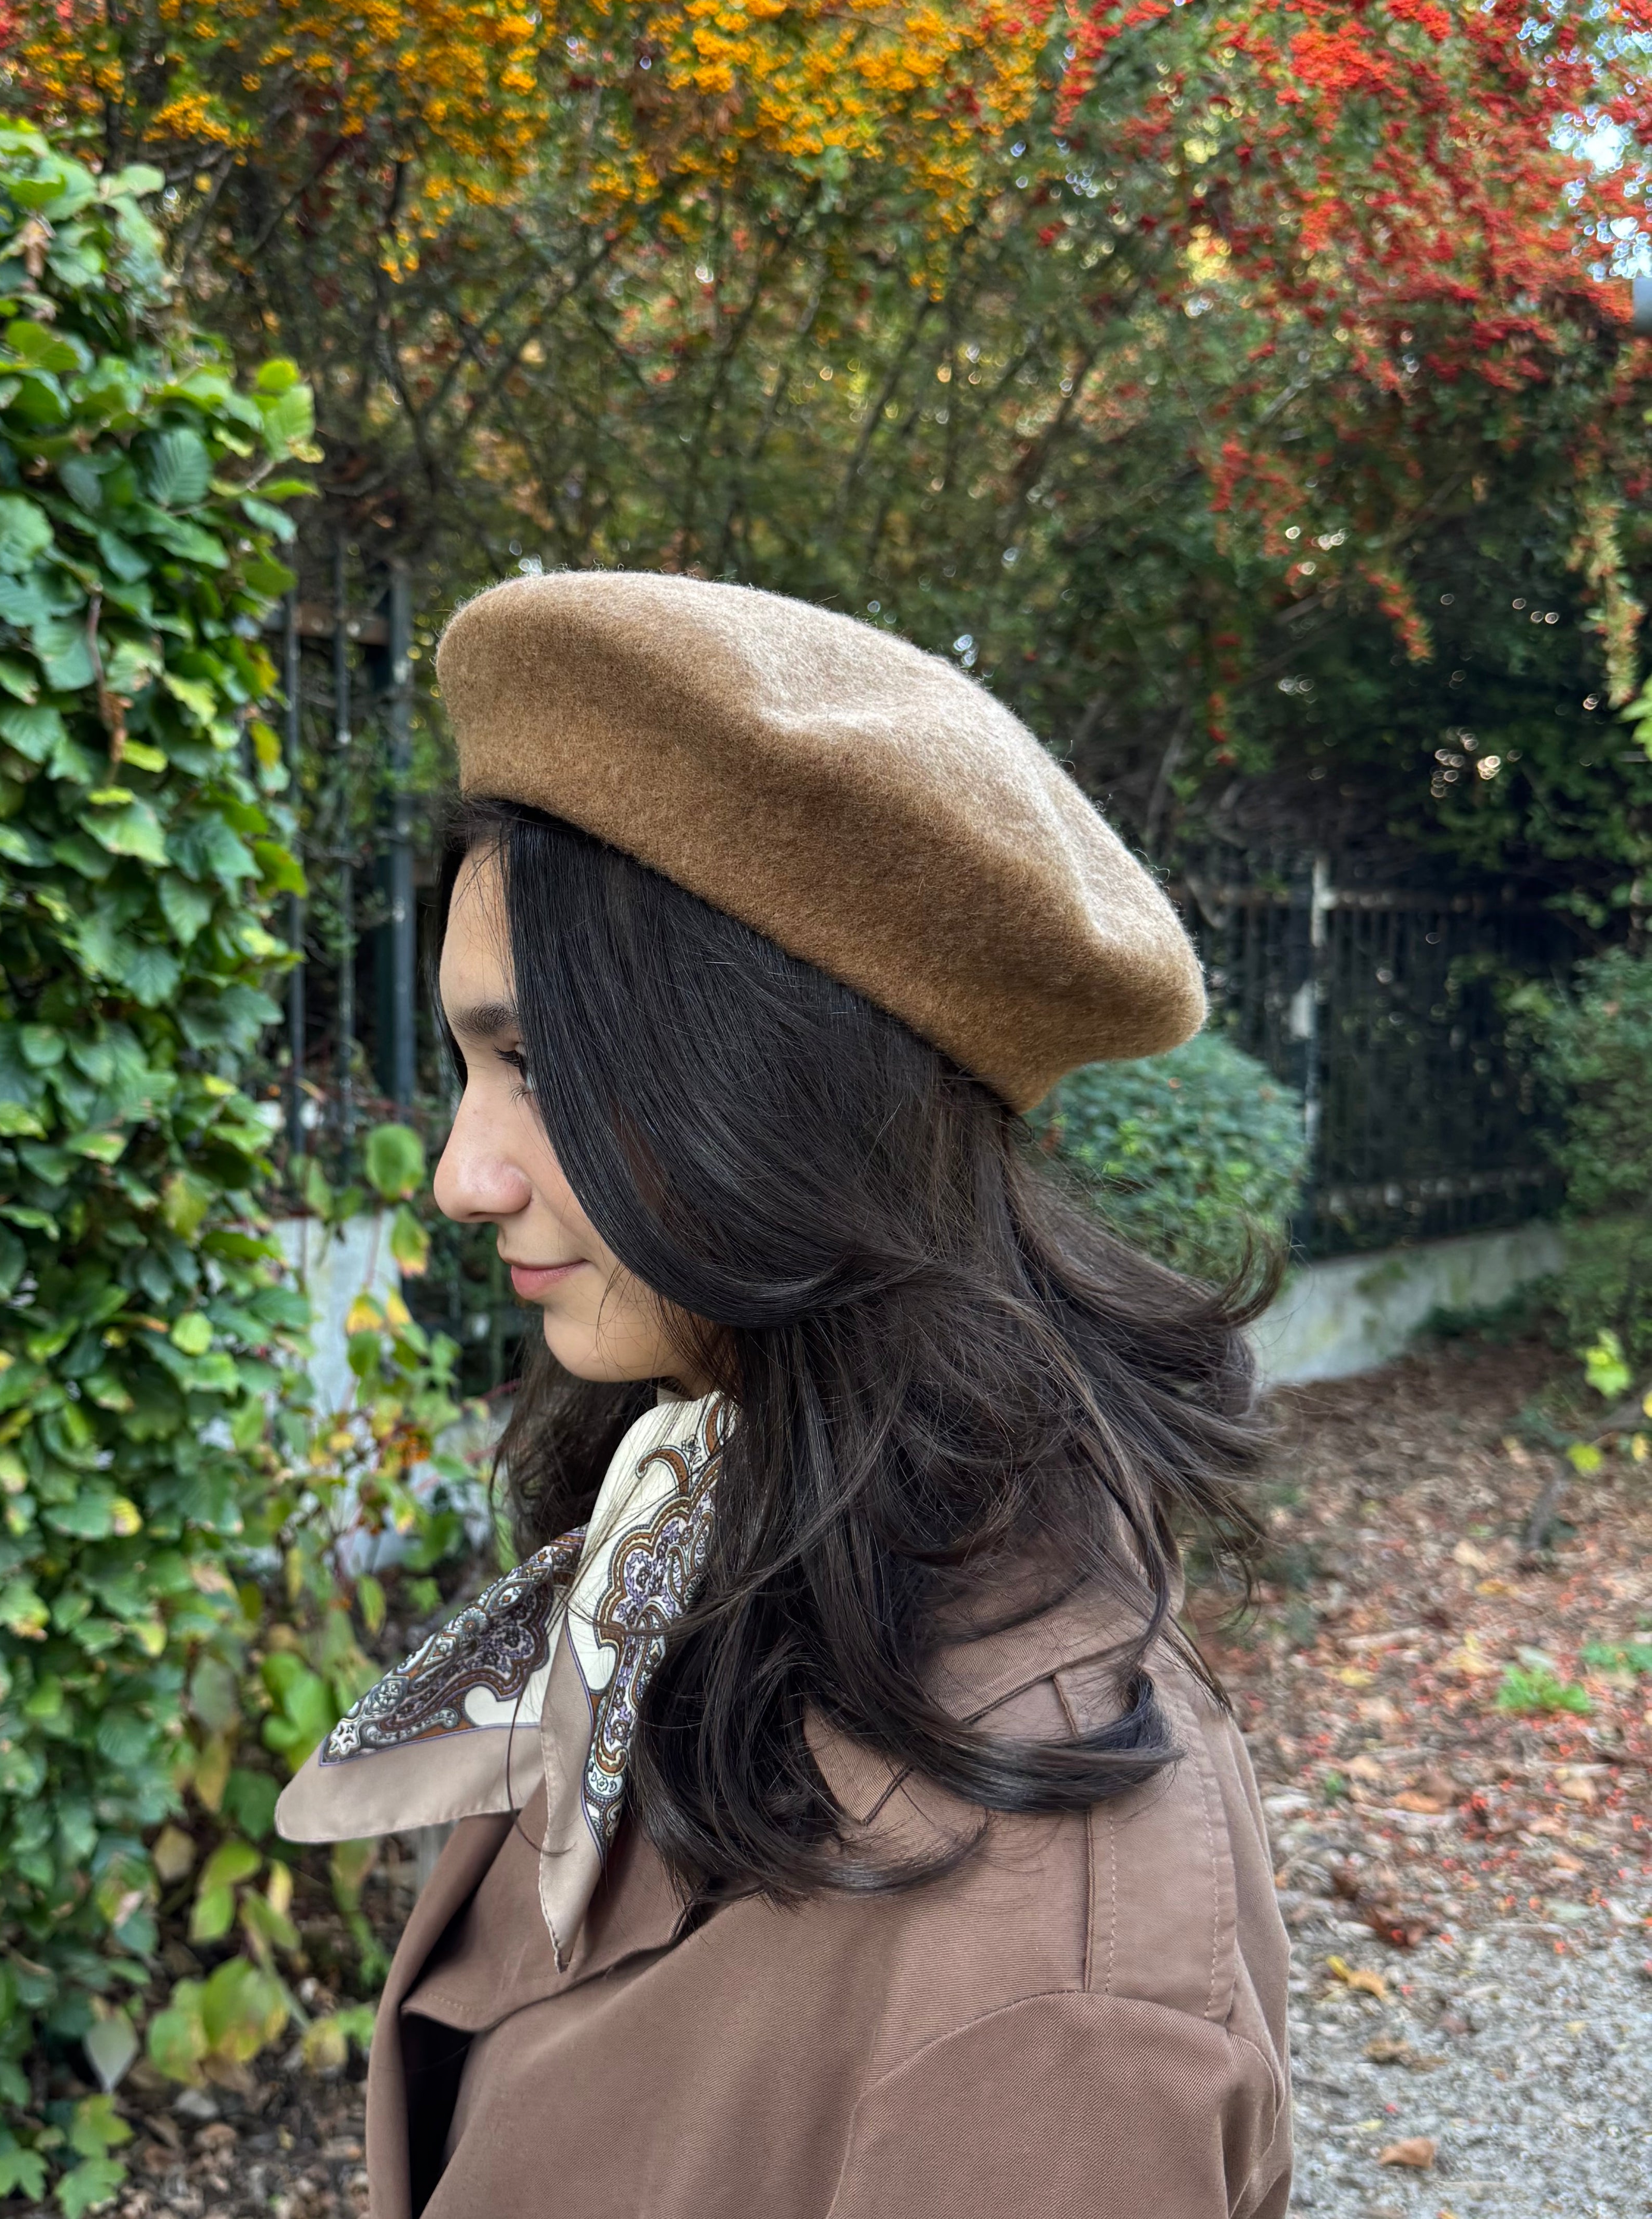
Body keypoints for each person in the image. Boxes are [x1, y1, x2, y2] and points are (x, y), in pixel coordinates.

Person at [278, 573, 1291, 2219]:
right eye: (466, 1068)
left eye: (535, 1066)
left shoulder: (1044, 1952)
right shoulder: (713, 1544)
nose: (462, 1173)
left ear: (782, 1095)